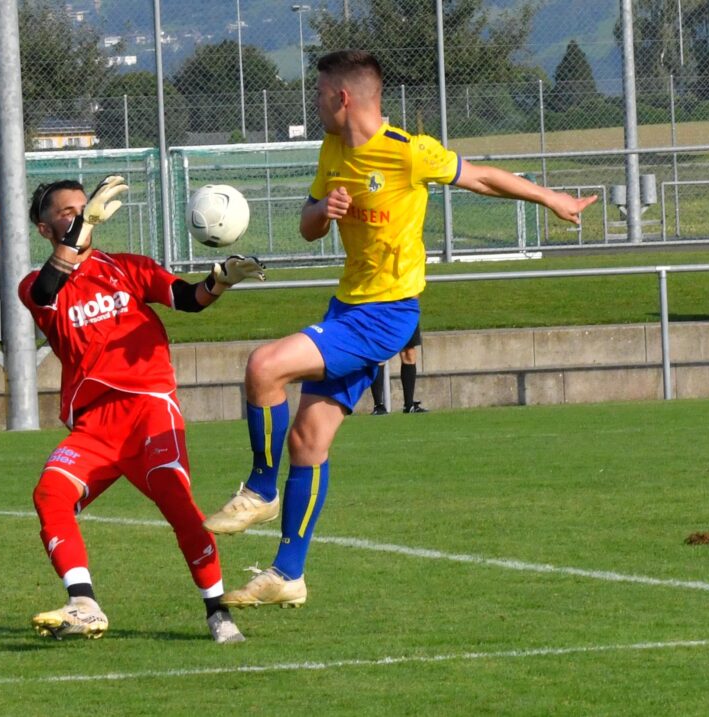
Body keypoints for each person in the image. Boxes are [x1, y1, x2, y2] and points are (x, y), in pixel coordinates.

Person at [204, 49, 597, 608]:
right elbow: (309, 226)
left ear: (343, 97)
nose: (314, 103)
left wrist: (551, 198)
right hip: (347, 309)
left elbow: (481, 178)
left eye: (319, 93)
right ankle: (287, 575)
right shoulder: (332, 148)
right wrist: (325, 209)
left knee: (264, 366)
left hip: (387, 314)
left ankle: (261, 490)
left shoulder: (409, 151)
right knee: (307, 441)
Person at [18, 175, 266, 643]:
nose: (82, 214)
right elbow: (46, 291)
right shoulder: (35, 284)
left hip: (149, 410)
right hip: (95, 425)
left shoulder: (126, 267)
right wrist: (80, 230)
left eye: (84, 207)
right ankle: (84, 604)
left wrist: (220, 282)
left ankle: (218, 612)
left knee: (180, 507)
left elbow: (188, 298)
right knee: (50, 494)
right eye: (68, 212)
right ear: (44, 230)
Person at [371, 322, 426, 415]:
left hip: (405, 316)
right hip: (383, 315)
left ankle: (409, 405)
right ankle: (378, 406)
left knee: (409, 353)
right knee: (380, 352)